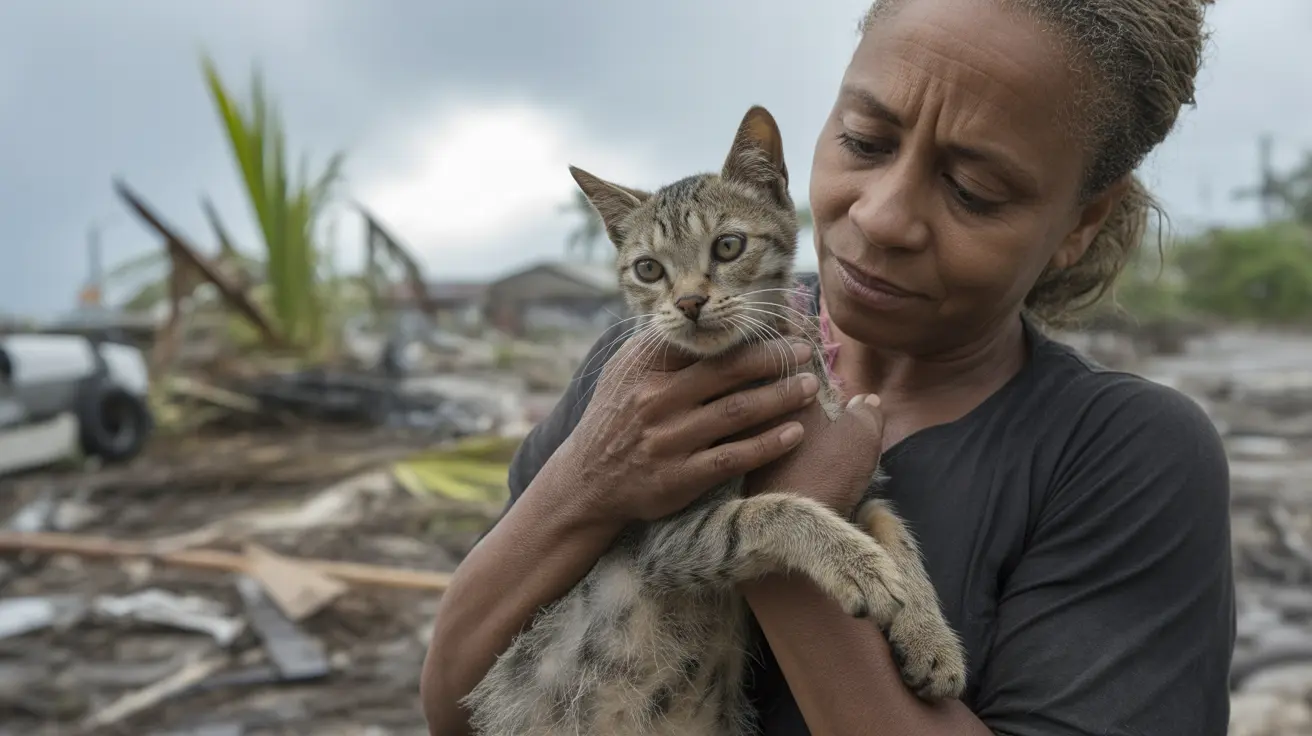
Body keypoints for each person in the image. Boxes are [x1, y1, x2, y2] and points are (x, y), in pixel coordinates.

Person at [420, 0, 1235, 733]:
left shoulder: (1123, 453)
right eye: (864, 141)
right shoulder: (639, 380)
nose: (880, 219)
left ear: (1081, 221)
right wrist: (586, 481)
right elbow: (458, 699)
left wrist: (791, 517)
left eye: (975, 188)